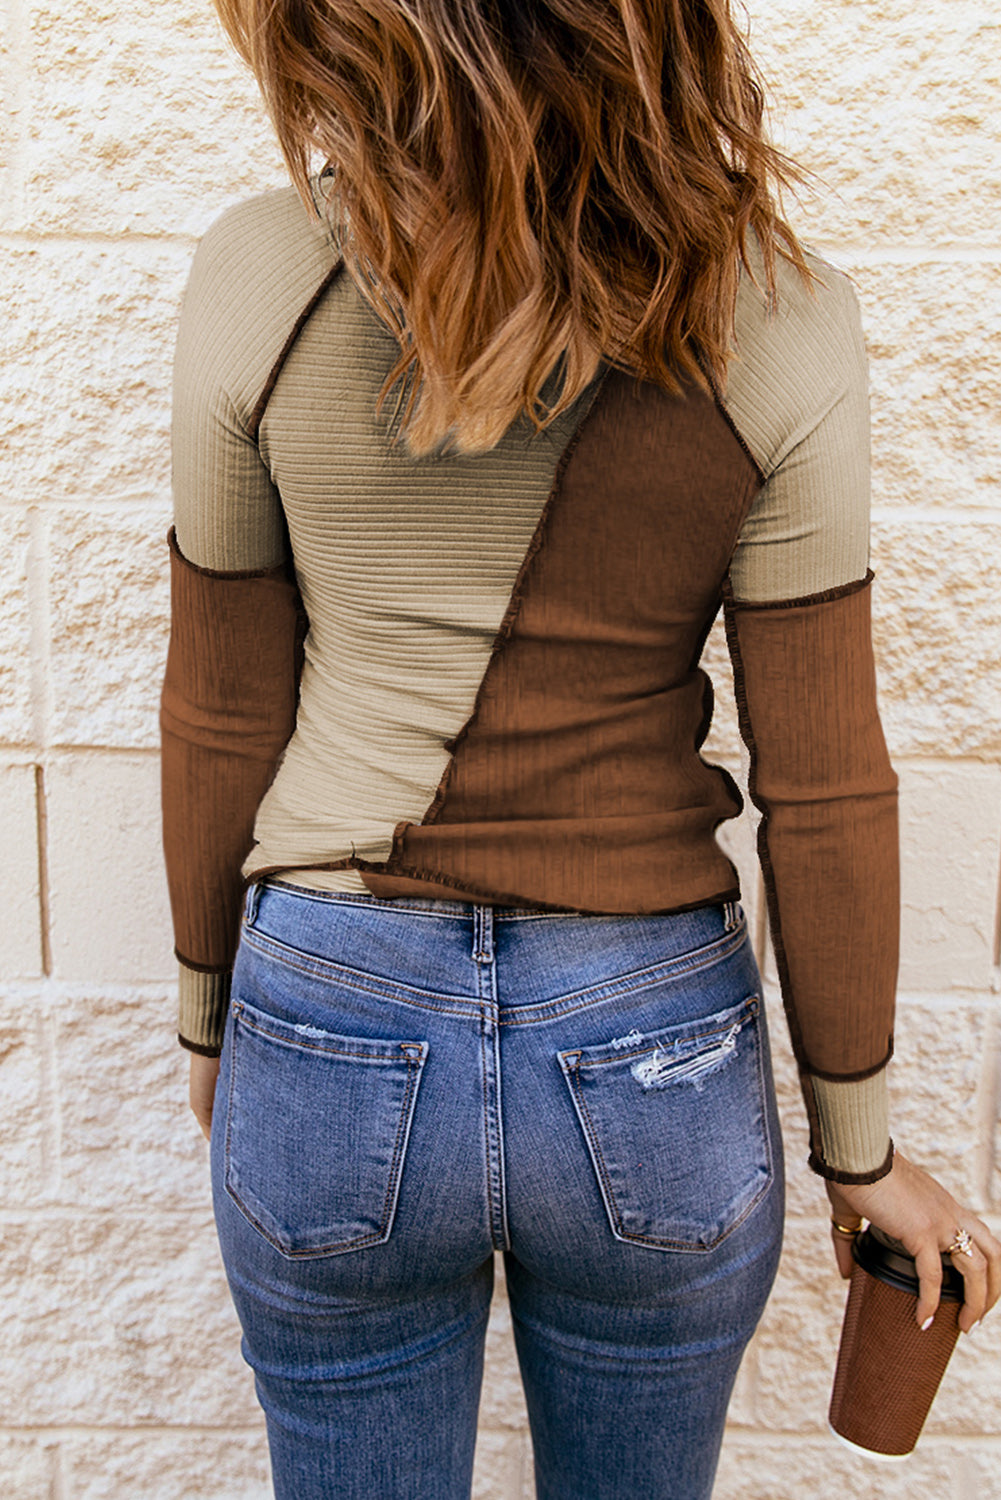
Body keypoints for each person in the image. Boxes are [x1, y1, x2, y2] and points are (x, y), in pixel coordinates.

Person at [160, 1, 1000, 1495]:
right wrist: (859, 1150)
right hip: (646, 1039)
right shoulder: (778, 306)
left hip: (330, 1007)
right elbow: (823, 780)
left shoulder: (259, 271)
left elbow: (222, 708)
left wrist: (215, 1020)